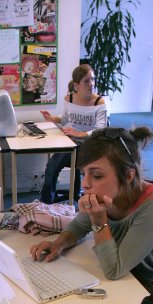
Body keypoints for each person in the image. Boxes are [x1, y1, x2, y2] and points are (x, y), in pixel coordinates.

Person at [30, 126, 153, 288]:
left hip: (150, 284)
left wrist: (98, 219)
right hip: (120, 272)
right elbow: (78, 226)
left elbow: (114, 270)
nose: (85, 184)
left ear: (128, 175)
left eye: (97, 175)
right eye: (84, 173)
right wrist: (58, 245)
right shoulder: (108, 193)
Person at [39, 64, 108, 204]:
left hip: (91, 144)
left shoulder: (99, 102)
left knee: (87, 170)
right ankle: (46, 204)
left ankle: (89, 201)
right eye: (87, 81)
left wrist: (81, 134)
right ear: (76, 85)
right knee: (51, 167)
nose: (92, 84)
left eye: (93, 79)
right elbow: (65, 119)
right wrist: (52, 118)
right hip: (71, 142)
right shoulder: (69, 99)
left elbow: (102, 129)